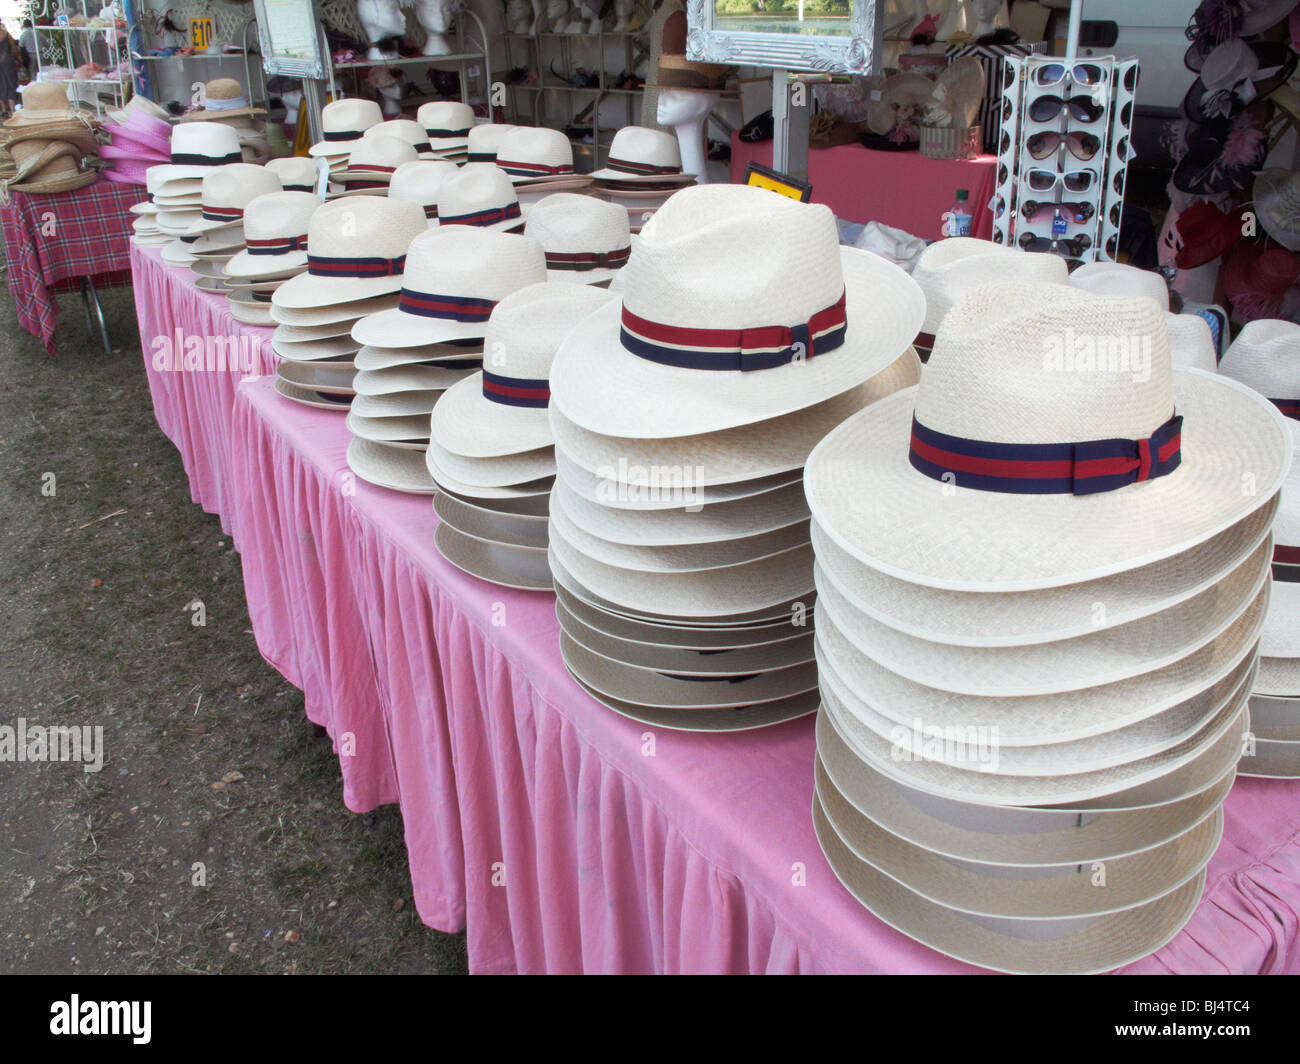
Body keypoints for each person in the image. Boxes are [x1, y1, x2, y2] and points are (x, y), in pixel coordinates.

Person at [0, 23, 21, 118]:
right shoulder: (6, 34)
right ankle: (12, 110)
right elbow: (14, 49)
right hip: (8, 62)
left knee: (1, 84)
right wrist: (19, 60)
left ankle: (4, 110)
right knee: (11, 84)